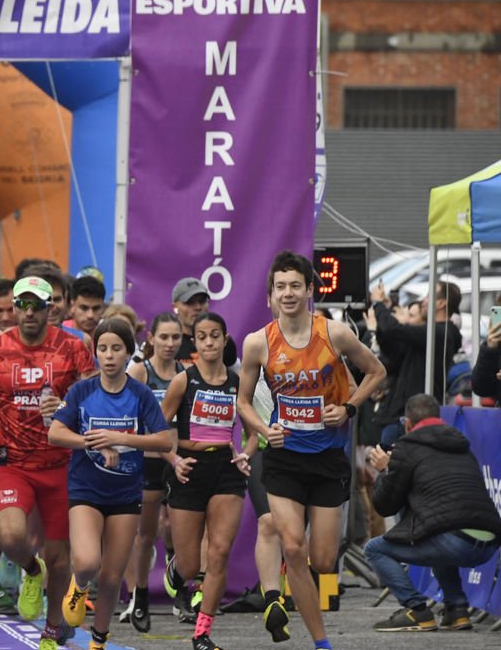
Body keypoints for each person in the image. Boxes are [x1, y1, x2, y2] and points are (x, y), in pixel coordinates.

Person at [236, 251, 386, 650]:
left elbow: (377, 372)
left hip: (328, 458)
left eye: (295, 286)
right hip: (284, 458)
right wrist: (264, 428)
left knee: (321, 559)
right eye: (280, 287)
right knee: (293, 546)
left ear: (308, 291)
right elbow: (243, 402)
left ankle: (289, 586)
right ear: (270, 294)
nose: (288, 293)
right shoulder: (258, 344)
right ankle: (321, 642)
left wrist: (350, 408)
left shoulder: (334, 334)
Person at [0, 276, 96, 650]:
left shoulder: (73, 347)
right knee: (10, 537)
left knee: (60, 557)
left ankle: (53, 628)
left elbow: (95, 400)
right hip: (14, 460)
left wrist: (65, 408)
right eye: (20, 305)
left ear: (50, 309)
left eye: (36, 305)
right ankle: (29, 570)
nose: (27, 312)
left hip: (62, 462)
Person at [52, 318, 172, 650]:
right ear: (95, 353)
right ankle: (77, 585)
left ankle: (98, 641)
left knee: (110, 578)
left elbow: (163, 440)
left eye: (116, 349)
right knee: (89, 562)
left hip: (125, 493)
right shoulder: (83, 390)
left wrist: (121, 438)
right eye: (102, 348)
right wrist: (92, 442)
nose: (108, 355)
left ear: (127, 352)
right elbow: (55, 433)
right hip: (86, 490)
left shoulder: (140, 394)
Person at [364, 393, 501, 632]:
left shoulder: (407, 448)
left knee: (374, 549)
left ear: (407, 423)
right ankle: (457, 610)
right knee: (437, 530)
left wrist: (385, 470)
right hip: (490, 546)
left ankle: (417, 610)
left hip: (454, 541)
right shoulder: (462, 446)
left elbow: (385, 506)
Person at [160, 312, 255, 650]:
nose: (210, 342)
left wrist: (247, 452)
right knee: (190, 564)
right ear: (195, 342)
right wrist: (173, 459)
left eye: (216, 335)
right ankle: (176, 570)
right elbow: (159, 430)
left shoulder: (238, 381)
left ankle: (202, 633)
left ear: (225, 339)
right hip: (190, 467)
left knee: (218, 553)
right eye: (202, 337)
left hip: (226, 468)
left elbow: (255, 427)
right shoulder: (183, 381)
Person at [122, 311, 184, 631]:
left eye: (176, 337)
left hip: (178, 461)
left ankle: (181, 589)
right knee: (146, 534)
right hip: (146, 461)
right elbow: (123, 413)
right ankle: (141, 594)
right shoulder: (140, 371)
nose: (170, 344)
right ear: (152, 339)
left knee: (179, 527)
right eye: (164, 337)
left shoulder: (186, 373)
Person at [367, 281, 461, 449]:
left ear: (441, 303)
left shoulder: (441, 333)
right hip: (399, 415)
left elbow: (395, 330)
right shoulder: (427, 334)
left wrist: (378, 305)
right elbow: (394, 351)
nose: (423, 301)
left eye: (428, 296)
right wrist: (380, 328)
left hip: (415, 417)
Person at [171, 278, 236, 367]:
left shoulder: (224, 342)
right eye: (190, 302)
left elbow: (234, 376)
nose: (198, 307)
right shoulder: (167, 341)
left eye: (202, 301)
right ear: (175, 306)